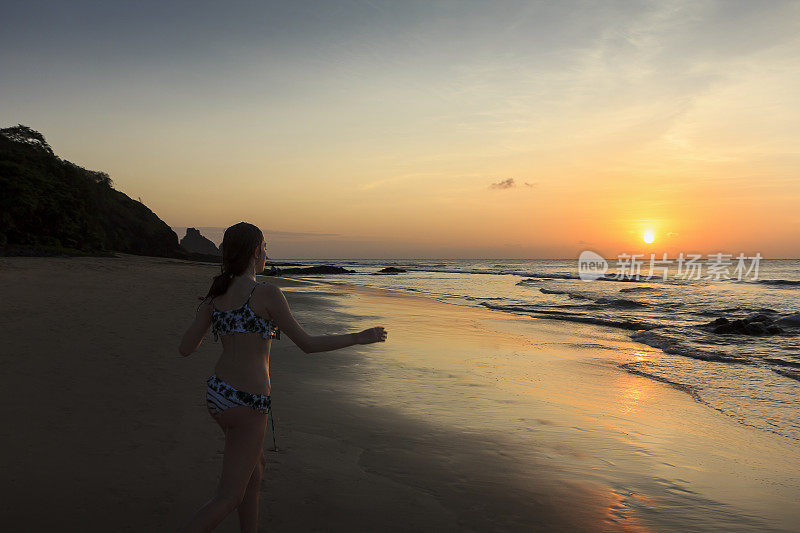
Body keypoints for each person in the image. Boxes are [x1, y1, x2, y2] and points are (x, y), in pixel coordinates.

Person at [178, 222, 387, 532]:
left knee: (256, 469)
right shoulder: (266, 293)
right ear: (255, 252)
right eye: (265, 247)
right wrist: (357, 337)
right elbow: (307, 344)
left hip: (218, 394)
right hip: (248, 404)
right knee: (228, 497)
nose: (266, 253)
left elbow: (185, 348)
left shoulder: (216, 296)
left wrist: (211, 318)